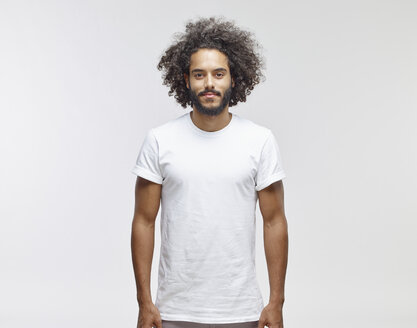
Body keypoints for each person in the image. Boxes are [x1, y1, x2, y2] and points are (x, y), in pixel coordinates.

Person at [131, 16, 288, 328]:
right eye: (199, 75)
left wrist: (276, 302)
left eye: (219, 74)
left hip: (242, 311)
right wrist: (144, 301)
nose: (209, 84)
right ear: (186, 80)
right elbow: (144, 221)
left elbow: (274, 221)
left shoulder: (259, 140)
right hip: (174, 312)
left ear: (234, 78)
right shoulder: (160, 140)